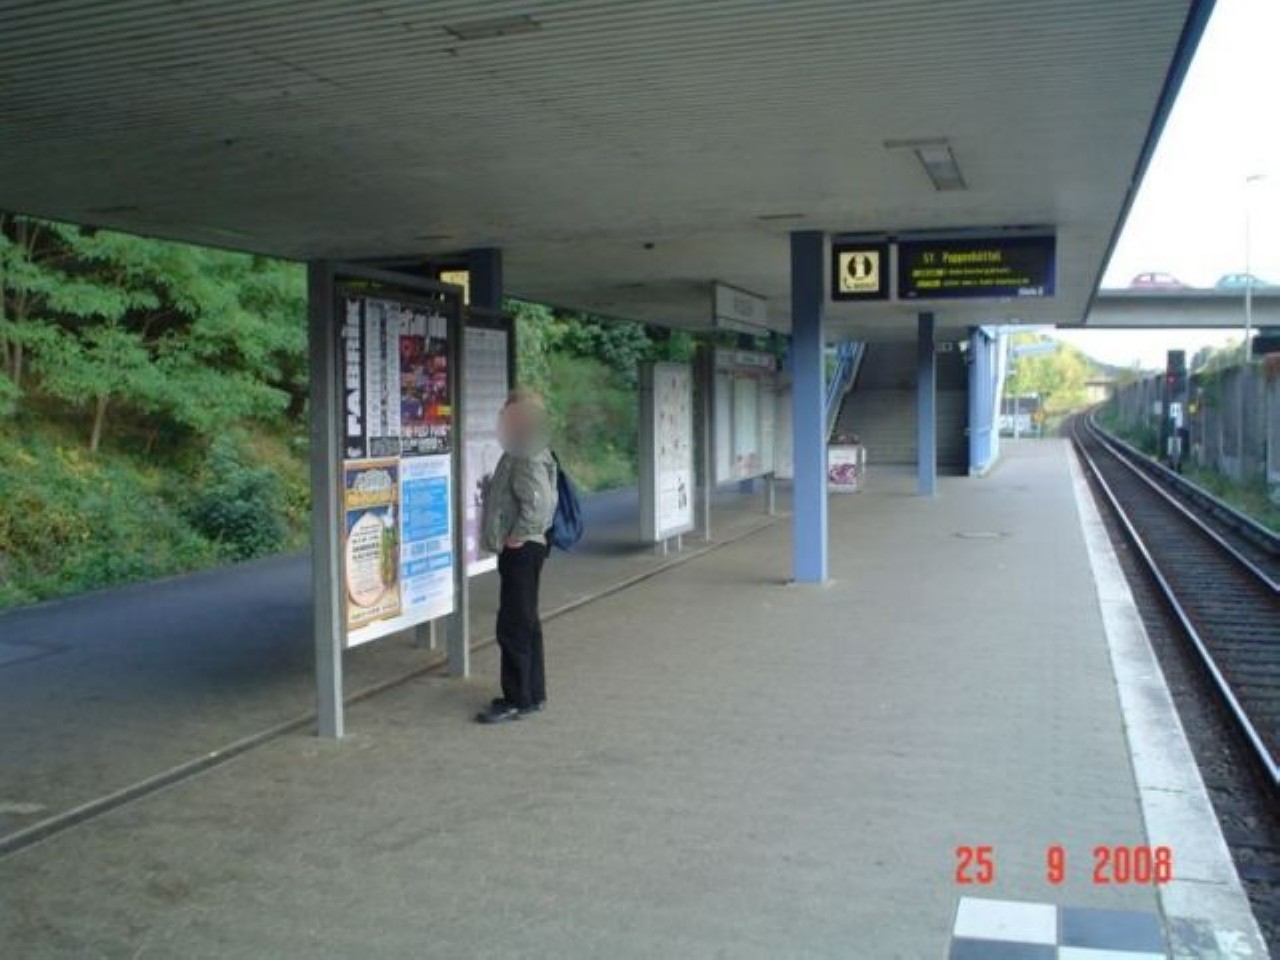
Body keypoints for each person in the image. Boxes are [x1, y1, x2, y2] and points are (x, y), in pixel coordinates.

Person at [476, 390, 558, 724]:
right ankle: (533, 693)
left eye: (509, 415)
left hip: (522, 549)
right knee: (527, 621)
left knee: (513, 624)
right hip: (529, 546)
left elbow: (539, 502)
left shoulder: (526, 452)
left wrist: (518, 535)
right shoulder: (530, 447)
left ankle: (516, 699)